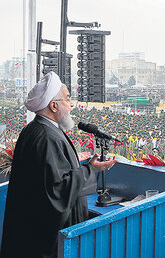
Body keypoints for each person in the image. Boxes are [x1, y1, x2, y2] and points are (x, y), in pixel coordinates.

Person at [1, 72, 117, 258]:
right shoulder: (47, 137)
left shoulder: (36, 129)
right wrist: (91, 169)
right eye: (67, 99)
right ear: (53, 105)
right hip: (44, 242)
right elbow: (57, 191)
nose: (71, 105)